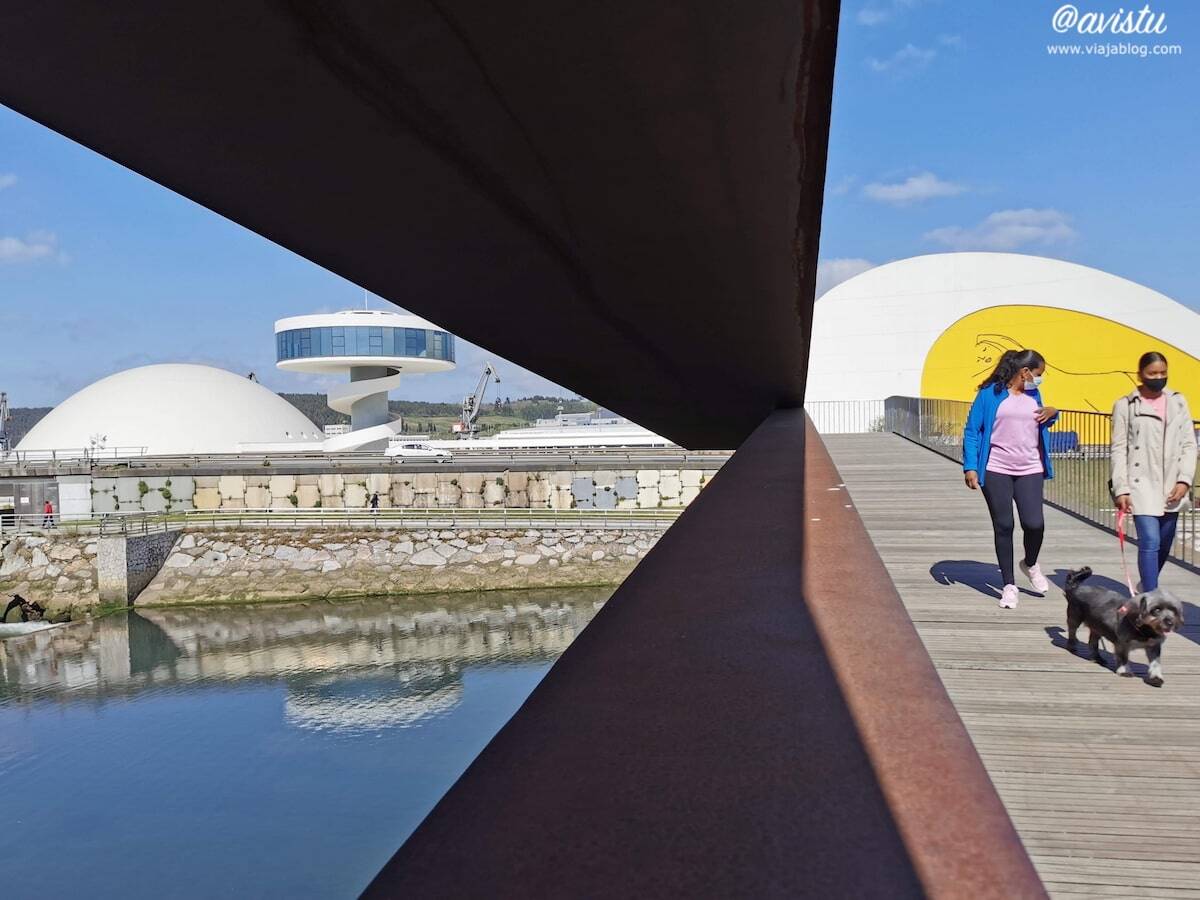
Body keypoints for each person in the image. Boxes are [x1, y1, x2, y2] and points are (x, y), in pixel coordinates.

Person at [962, 349, 1059, 609]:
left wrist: (1053, 412)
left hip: (1030, 468)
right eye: (1038, 374)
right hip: (996, 468)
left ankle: (1030, 563)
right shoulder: (989, 394)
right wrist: (970, 466)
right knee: (1004, 525)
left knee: (1034, 524)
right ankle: (1009, 585)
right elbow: (973, 430)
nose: (1040, 380)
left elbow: (1040, 421)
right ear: (1024, 372)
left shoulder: (1034, 394)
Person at [1110, 351, 1197, 592]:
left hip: (1172, 484)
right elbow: (1118, 450)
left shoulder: (1178, 401)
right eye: (1152, 373)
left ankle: (1147, 582)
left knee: (1165, 543)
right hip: (1141, 483)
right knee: (1150, 541)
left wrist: (1185, 480)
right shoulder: (1125, 405)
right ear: (1140, 375)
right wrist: (1122, 488)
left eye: (1163, 373)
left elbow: (1189, 444)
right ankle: (1151, 598)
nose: (1158, 378)